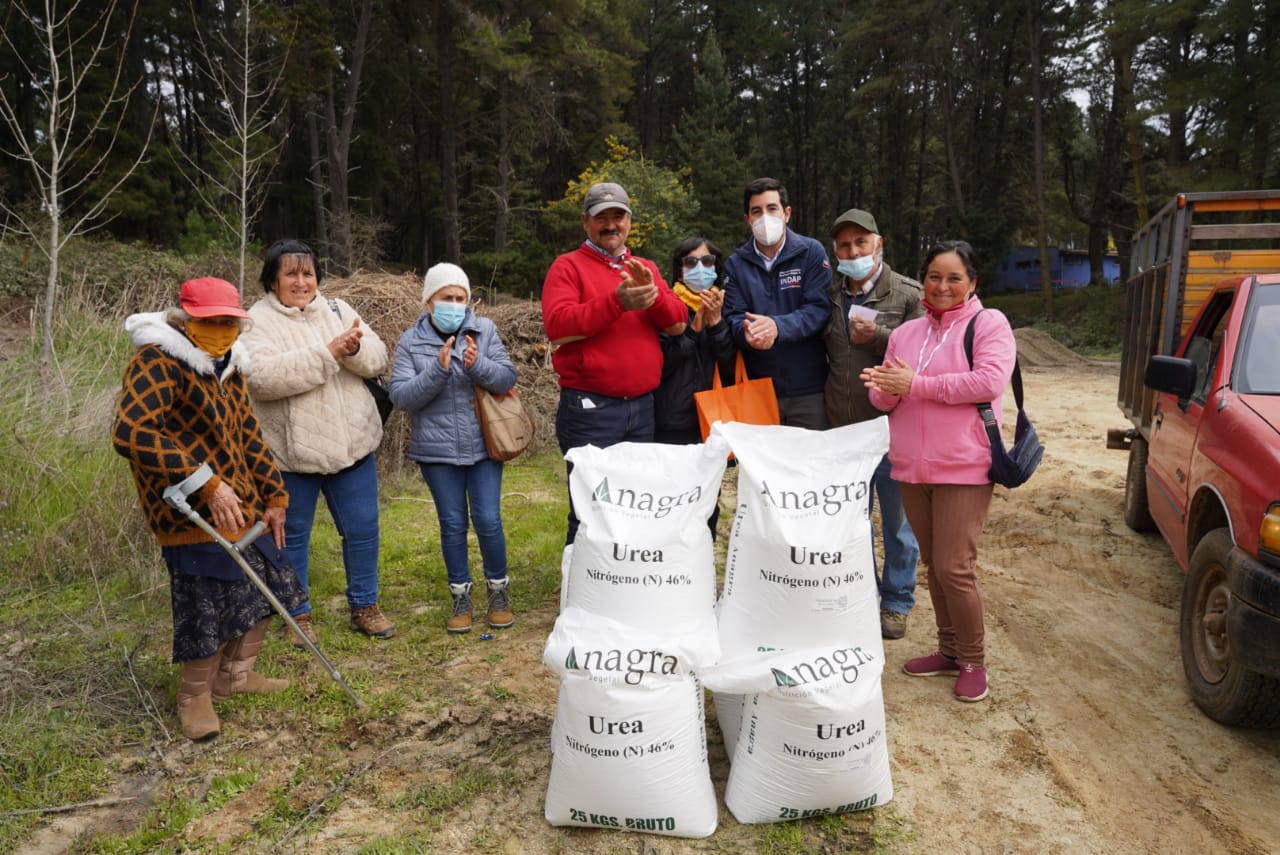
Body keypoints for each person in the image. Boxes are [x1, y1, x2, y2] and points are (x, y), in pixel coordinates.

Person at [112, 277, 306, 740]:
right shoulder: (157, 361)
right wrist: (207, 484)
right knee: (208, 603)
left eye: (229, 322)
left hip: (243, 501)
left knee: (270, 584)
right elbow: (131, 431)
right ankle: (194, 696)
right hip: (187, 509)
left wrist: (275, 496)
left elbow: (248, 435)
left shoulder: (231, 365)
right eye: (211, 321)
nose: (222, 329)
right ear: (186, 320)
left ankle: (236, 675)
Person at [861, 240, 1016, 702]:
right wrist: (886, 390)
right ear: (922, 280)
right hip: (911, 466)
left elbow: (988, 382)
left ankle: (973, 660)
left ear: (973, 283)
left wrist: (916, 384)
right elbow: (885, 397)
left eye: (953, 278)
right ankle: (948, 651)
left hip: (965, 465)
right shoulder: (906, 334)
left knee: (956, 567)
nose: (942, 286)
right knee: (933, 564)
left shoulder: (989, 324)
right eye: (934, 276)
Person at [241, 239, 395, 647]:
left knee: (363, 530)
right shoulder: (256, 321)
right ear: (272, 278)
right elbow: (262, 379)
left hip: (354, 445)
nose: (301, 280)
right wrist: (328, 353)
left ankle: (365, 607)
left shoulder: (337, 309)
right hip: (292, 453)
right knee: (290, 535)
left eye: (307, 273)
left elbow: (378, 358)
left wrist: (355, 349)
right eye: (291, 273)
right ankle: (298, 614)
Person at [542, 181, 687, 543]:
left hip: (642, 408)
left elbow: (678, 322)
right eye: (601, 218)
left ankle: (622, 588)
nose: (610, 225)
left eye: (618, 217)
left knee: (634, 502)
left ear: (629, 222)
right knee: (591, 507)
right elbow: (558, 328)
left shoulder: (645, 267)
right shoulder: (568, 267)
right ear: (585, 223)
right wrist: (617, 301)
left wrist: (653, 297)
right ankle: (581, 594)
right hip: (591, 409)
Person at [389, 263, 519, 634]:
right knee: (452, 524)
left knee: (489, 520)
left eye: (461, 298)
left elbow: (507, 378)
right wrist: (437, 371)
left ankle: (498, 591)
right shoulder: (410, 341)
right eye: (447, 297)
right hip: (436, 452)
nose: (455, 304)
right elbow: (401, 397)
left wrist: (478, 366)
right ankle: (461, 596)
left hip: (484, 446)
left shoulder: (485, 330)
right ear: (430, 301)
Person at [822, 208, 924, 641]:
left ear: (878, 244)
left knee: (899, 525)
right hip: (844, 430)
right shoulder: (827, 293)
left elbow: (925, 359)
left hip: (892, 431)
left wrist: (878, 338)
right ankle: (861, 595)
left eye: (861, 243)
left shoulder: (907, 294)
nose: (853, 251)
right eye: (845, 245)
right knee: (851, 522)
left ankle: (896, 603)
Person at [722, 177, 831, 429]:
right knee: (763, 466)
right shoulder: (736, 263)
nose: (764, 217)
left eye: (772, 208)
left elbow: (819, 308)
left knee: (809, 464)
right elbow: (734, 315)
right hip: (757, 387)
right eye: (756, 211)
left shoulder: (810, 252)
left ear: (787, 213)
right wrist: (746, 333)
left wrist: (777, 327)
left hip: (808, 387)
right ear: (747, 218)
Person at [655, 236, 737, 537]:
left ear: (716, 268)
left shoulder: (727, 307)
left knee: (707, 505)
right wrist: (694, 329)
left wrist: (716, 325)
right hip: (671, 422)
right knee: (670, 503)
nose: (699, 268)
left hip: (711, 424)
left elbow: (731, 367)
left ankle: (701, 568)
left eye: (706, 262)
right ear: (679, 271)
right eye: (691, 262)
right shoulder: (665, 308)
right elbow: (662, 365)